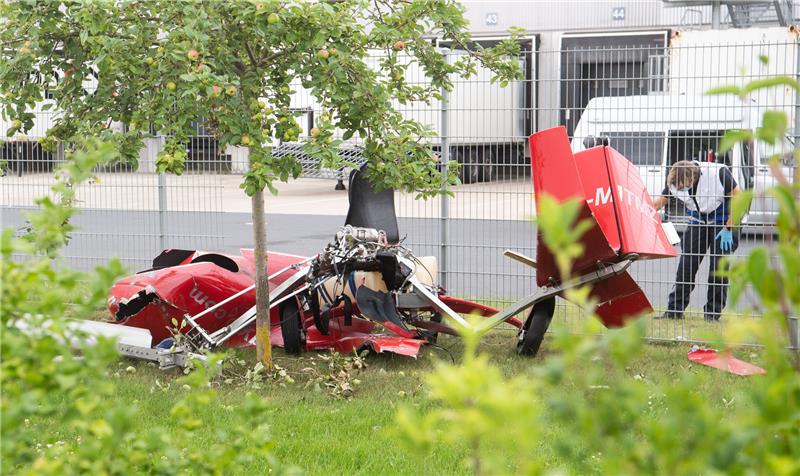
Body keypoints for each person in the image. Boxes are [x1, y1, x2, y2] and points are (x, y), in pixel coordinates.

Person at [652, 160, 741, 321]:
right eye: (677, 188)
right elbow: (659, 202)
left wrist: (729, 227)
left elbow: (739, 196)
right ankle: (674, 311)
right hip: (698, 221)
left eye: (682, 186)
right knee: (686, 266)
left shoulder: (718, 173)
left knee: (718, 267)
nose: (679, 190)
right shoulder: (676, 180)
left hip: (723, 221)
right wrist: (642, 213)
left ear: (692, 177)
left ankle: (712, 314)